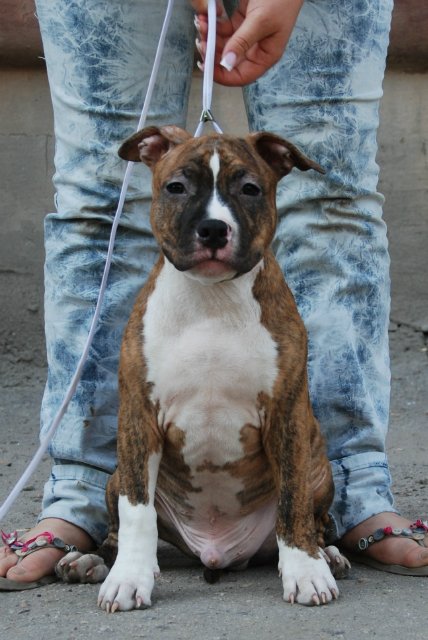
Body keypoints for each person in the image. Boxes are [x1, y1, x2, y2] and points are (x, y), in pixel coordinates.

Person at [1, 0, 427, 588]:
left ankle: (345, 500)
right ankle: (86, 503)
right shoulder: (153, 317)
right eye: (180, 189)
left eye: (247, 192)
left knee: (336, 195)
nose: (213, 222)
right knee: (96, 197)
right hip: (175, 503)